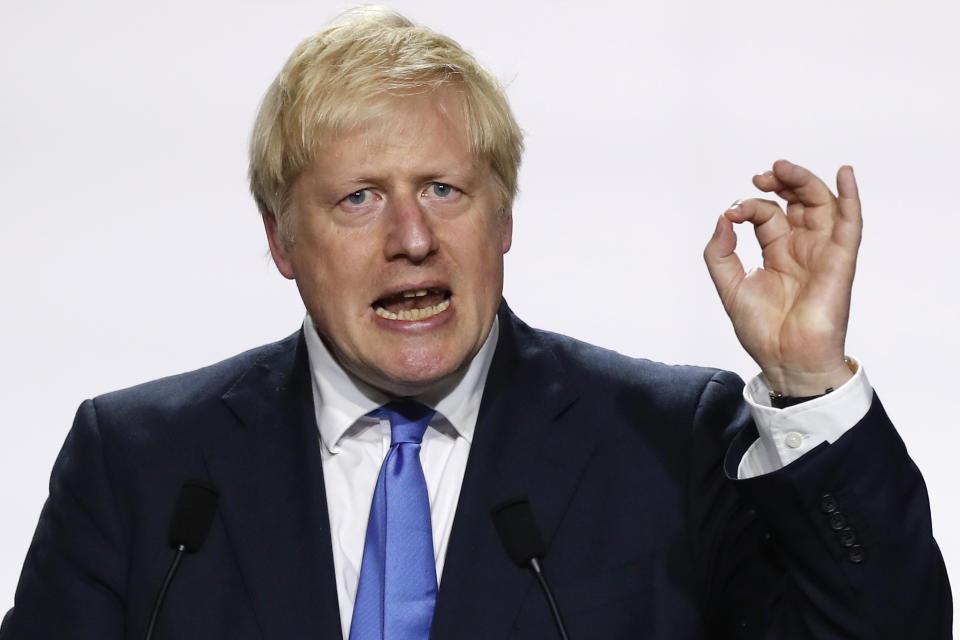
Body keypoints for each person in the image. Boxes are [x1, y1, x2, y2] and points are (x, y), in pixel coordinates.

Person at [1, 7, 950, 639]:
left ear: (503, 221)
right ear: (281, 239)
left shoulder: (670, 442)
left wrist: (809, 379)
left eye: (445, 189)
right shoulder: (140, 468)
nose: (412, 238)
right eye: (360, 197)